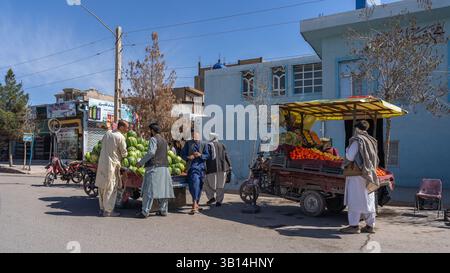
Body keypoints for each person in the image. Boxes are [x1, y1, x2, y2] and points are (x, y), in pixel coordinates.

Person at [340, 120, 380, 234]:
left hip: (357, 175)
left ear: (357, 129)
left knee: (354, 200)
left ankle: (353, 226)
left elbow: (350, 156)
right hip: (368, 174)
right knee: (368, 200)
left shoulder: (358, 140)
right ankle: (370, 226)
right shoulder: (371, 140)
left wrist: (347, 150)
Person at [136, 123, 175, 219]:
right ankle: (163, 210)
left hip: (154, 168)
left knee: (148, 190)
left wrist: (140, 162)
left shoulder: (153, 139)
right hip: (165, 168)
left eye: (150, 130)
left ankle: (145, 212)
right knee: (163, 190)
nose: (149, 132)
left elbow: (151, 152)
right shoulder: (165, 141)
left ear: (152, 131)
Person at [95, 120, 129, 217]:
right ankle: (108, 211)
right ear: (121, 127)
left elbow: (102, 144)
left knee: (102, 187)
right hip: (112, 165)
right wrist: (126, 154)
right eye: (126, 127)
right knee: (111, 187)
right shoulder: (121, 137)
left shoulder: (107, 133)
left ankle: (102, 209)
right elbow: (124, 153)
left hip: (102, 163)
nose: (128, 129)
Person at [181, 130, 209, 215]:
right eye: (193, 136)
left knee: (200, 185)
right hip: (192, 168)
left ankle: (197, 203)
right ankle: (194, 204)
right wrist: (189, 157)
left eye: (196, 136)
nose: (195, 138)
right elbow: (182, 155)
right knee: (194, 184)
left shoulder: (204, 144)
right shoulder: (188, 144)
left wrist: (200, 155)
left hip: (202, 168)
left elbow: (207, 155)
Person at [204, 133, 232, 207]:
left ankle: (211, 197)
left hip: (211, 168)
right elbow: (226, 156)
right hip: (223, 168)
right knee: (220, 185)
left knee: (207, 183)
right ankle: (219, 202)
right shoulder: (222, 145)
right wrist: (230, 165)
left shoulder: (208, 145)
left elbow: (206, 157)